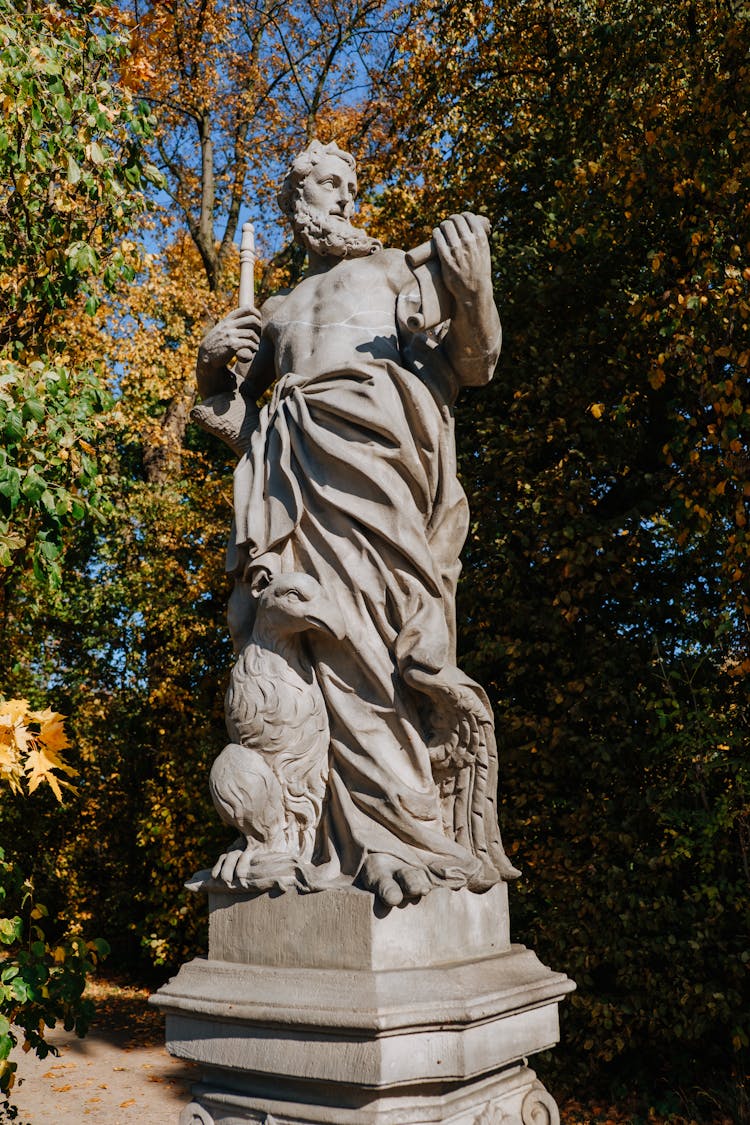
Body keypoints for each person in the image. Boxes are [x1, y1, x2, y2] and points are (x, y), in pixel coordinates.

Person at [196, 140, 518, 906]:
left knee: (378, 653)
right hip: (295, 493)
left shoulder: (399, 271)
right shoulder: (273, 312)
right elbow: (234, 424)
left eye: (348, 185)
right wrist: (212, 368)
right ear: (295, 206)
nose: (341, 198)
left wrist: (474, 291)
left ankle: (404, 832)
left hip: (376, 485)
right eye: (324, 186)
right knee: (311, 656)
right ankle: (301, 835)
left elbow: (477, 362)